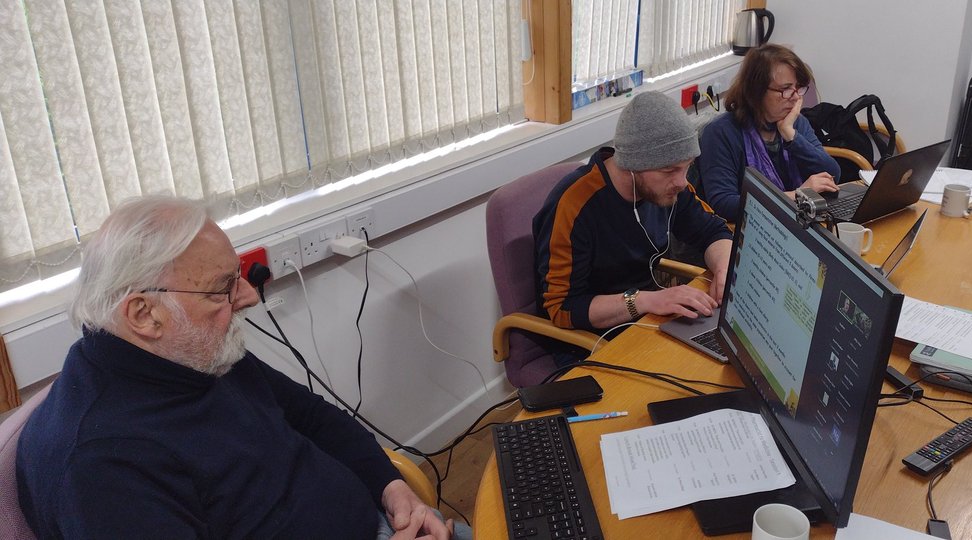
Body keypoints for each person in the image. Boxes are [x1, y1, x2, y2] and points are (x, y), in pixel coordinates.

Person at [16, 196, 466, 540]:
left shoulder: (190, 354)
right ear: (144, 315)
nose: (248, 297)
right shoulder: (100, 466)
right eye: (222, 289)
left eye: (238, 276)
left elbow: (314, 417)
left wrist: (389, 486)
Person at [534, 91, 734, 348]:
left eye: (687, 167)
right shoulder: (574, 204)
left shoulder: (669, 187)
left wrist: (723, 269)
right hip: (590, 342)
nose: (682, 181)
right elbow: (563, 308)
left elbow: (713, 231)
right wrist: (644, 300)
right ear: (633, 164)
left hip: (649, 319)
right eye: (670, 170)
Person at [699, 44, 842, 222]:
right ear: (756, 91)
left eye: (799, 88)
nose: (796, 97)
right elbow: (723, 204)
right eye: (786, 89)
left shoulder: (794, 122)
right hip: (751, 229)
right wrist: (796, 197)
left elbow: (832, 173)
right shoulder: (721, 133)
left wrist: (791, 136)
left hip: (796, 222)